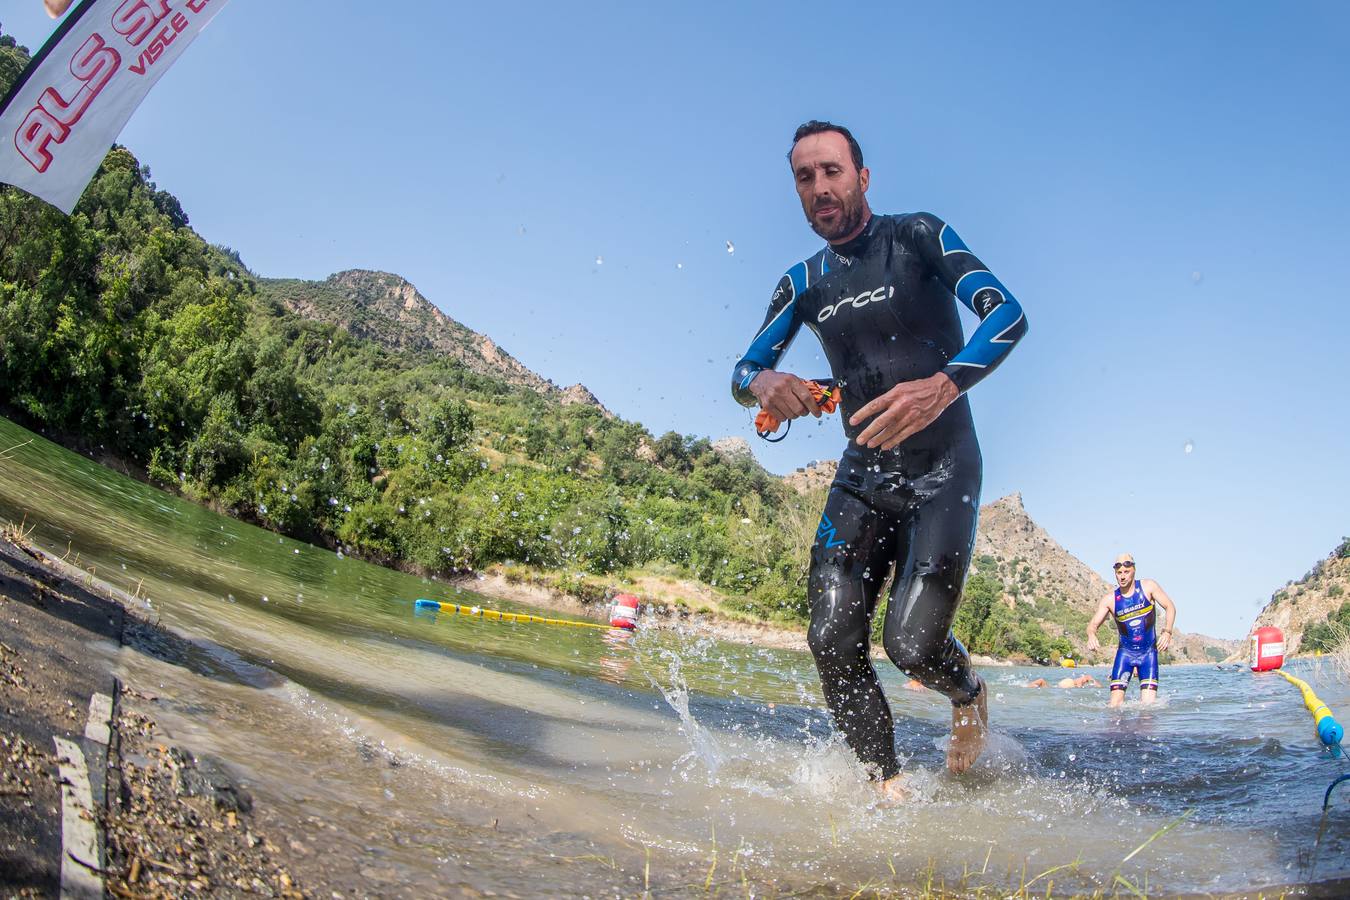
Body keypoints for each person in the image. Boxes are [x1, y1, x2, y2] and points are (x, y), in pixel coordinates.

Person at [731, 121, 1028, 798]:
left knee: (911, 647)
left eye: (831, 171)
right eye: (804, 177)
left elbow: (1007, 313)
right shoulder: (802, 281)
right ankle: (886, 789)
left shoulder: (918, 235)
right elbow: (744, 370)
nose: (819, 187)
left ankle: (969, 693)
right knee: (830, 636)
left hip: (944, 470)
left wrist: (944, 384)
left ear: (862, 178)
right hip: (863, 476)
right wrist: (766, 383)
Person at [1086, 554, 1177, 707]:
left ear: (1134, 570)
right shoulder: (1110, 600)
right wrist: (1091, 635)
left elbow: (1170, 607)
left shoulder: (1148, 587)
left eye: (1126, 572)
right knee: (1114, 706)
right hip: (1125, 655)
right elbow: (1092, 625)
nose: (1122, 576)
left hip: (1148, 654)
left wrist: (1167, 632)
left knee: (1148, 707)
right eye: (1119, 573)